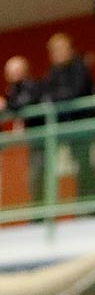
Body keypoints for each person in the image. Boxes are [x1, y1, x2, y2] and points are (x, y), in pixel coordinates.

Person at [43, 33, 95, 201]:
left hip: (84, 125)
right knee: (65, 166)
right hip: (64, 127)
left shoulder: (79, 67)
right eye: (54, 51)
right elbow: (47, 94)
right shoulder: (53, 72)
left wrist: (59, 97)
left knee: (85, 164)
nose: (58, 53)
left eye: (61, 49)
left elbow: (77, 91)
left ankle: (88, 200)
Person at [1, 56, 48, 203]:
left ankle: (42, 209)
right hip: (31, 139)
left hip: (43, 136)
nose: (12, 74)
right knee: (33, 174)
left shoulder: (33, 85)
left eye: (15, 70)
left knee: (39, 173)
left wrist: (6, 104)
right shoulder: (12, 89)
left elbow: (24, 102)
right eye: (9, 71)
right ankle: (37, 208)